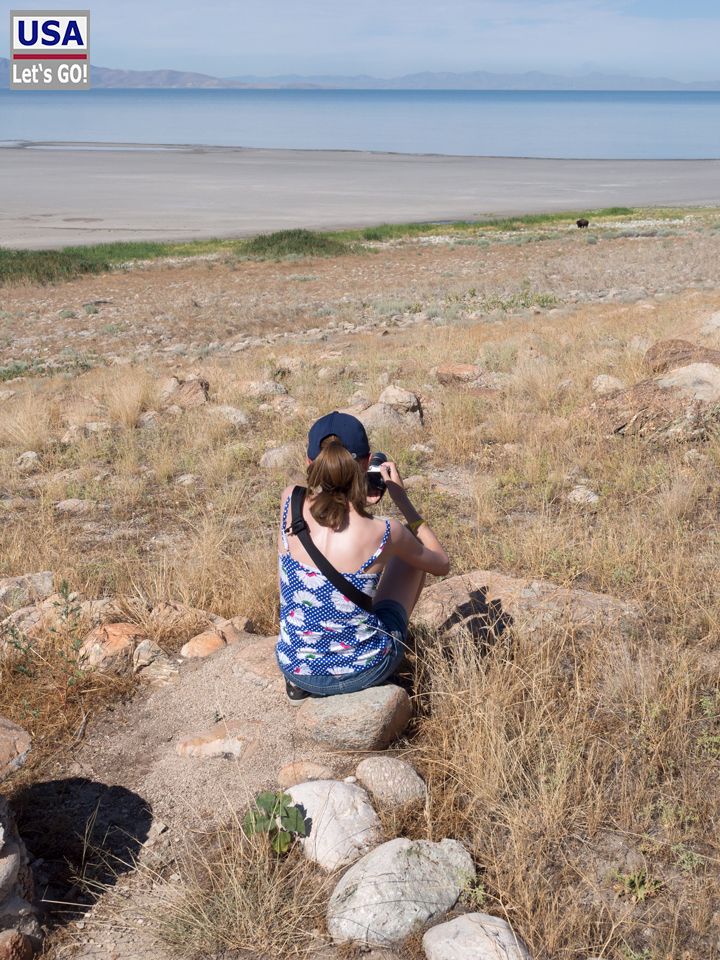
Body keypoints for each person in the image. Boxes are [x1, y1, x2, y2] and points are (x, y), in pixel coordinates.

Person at [276, 410, 450, 702]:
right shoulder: (386, 531)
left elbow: (330, 518)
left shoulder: (290, 500)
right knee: (411, 556)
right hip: (362, 671)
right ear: (368, 462)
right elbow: (441, 564)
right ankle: (377, 670)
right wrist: (401, 499)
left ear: (310, 462)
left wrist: (355, 499)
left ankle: (302, 685)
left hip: (296, 667)